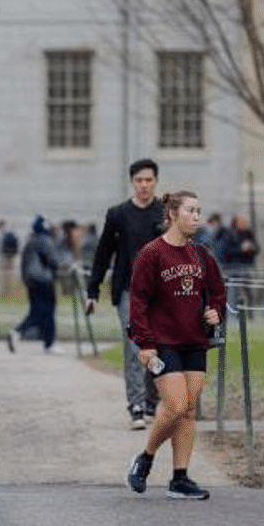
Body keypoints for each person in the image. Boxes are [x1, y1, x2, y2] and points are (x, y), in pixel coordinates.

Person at [125, 190, 226, 501]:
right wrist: (145, 343)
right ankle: (145, 458)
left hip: (194, 341)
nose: (196, 217)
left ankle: (179, 479)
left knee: (189, 411)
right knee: (176, 405)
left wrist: (215, 313)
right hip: (163, 342)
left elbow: (219, 294)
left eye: (199, 211)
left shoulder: (202, 255)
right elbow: (138, 301)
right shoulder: (151, 254)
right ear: (172, 214)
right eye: (190, 211)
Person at [86, 158, 165, 428]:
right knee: (134, 347)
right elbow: (103, 252)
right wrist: (92, 290)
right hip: (128, 290)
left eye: (149, 180)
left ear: (155, 181)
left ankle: (152, 397)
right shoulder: (118, 214)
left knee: (160, 347)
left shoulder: (165, 213)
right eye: (139, 180)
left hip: (161, 291)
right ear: (132, 182)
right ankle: (136, 404)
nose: (144, 185)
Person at [7, 214, 63, 354]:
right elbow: (53, 260)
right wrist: (58, 272)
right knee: (46, 311)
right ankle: (44, 341)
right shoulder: (45, 240)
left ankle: (26, 335)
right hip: (43, 280)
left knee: (36, 310)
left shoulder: (30, 240)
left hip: (30, 281)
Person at [220, 214, 258, 319]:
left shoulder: (249, 234)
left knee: (249, 292)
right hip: (233, 268)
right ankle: (234, 316)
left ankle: (250, 316)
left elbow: (257, 249)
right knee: (234, 293)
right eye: (243, 221)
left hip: (247, 267)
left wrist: (251, 248)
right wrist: (241, 249)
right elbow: (226, 251)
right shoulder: (229, 234)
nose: (245, 223)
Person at [0, 219, 19, 296]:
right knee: (10, 274)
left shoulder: (3, 234)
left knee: (5, 274)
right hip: (11, 255)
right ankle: (10, 291)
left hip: (5, 256)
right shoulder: (11, 233)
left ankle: (5, 291)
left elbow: (0, 247)